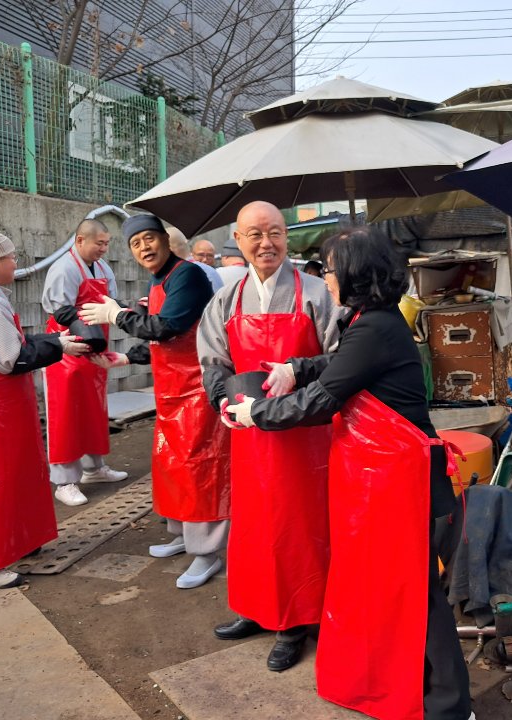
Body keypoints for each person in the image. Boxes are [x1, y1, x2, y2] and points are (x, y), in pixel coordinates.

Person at [225, 227, 472, 720]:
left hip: (402, 485)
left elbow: (322, 401)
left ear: (356, 274)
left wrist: (257, 415)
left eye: (332, 269)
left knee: (417, 597)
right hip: (384, 484)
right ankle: (404, 687)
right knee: (392, 592)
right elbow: (337, 365)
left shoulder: (376, 326)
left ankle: (448, 706)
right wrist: (295, 367)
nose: (326, 278)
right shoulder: (368, 322)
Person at [197, 200, 341, 672]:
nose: (266, 243)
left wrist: (298, 381)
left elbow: (339, 363)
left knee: (299, 527)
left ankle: (297, 621)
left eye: (275, 233)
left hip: (305, 439)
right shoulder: (227, 298)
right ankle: (257, 609)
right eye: (255, 234)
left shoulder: (316, 293)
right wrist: (223, 400)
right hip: (249, 434)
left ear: (288, 239)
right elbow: (214, 360)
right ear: (237, 241)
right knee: (255, 526)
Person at [78, 214, 231, 590]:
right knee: (172, 468)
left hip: (196, 391)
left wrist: (115, 314)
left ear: (164, 239)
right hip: (170, 392)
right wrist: (127, 358)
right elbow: (158, 338)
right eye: (136, 243)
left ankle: (207, 552)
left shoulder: (188, 275)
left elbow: (168, 327)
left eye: (150, 239)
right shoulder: (160, 278)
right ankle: (182, 535)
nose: (144, 247)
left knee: (199, 470)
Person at [0, 225, 89, 588]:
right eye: (11, 257)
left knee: (12, 477)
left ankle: (10, 545)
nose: (15, 263)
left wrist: (52, 340)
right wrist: (58, 346)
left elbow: (16, 345)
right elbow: (12, 358)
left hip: (0, 404)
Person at [41, 218, 128, 507]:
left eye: (106, 243)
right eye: (99, 243)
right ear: (80, 241)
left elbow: (111, 302)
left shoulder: (103, 267)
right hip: (67, 350)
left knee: (93, 409)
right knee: (65, 414)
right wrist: (88, 334)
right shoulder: (64, 268)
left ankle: (94, 468)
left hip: (93, 351)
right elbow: (61, 310)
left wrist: (130, 311)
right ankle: (64, 481)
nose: (104, 248)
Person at [167, 227, 223, 292]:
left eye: (210, 256)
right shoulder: (210, 271)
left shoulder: (184, 273)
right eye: (201, 255)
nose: (205, 259)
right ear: (192, 253)